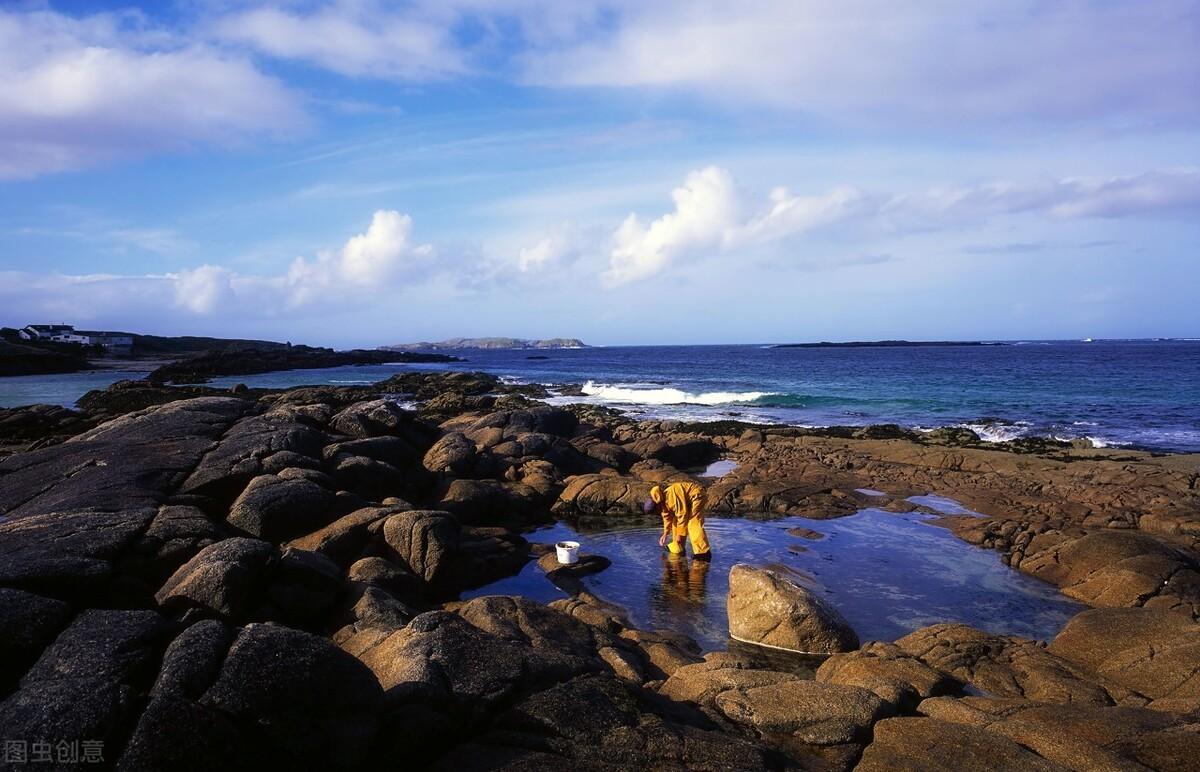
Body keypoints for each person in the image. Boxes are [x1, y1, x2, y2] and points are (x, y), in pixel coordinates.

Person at [644, 481, 711, 559]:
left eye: (655, 511)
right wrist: (665, 534)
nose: (657, 513)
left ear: (656, 505)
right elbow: (667, 518)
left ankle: (703, 553)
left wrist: (679, 537)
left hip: (697, 496)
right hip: (687, 502)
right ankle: (679, 548)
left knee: (692, 523)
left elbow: (682, 517)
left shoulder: (672, 497)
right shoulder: (662, 503)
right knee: (675, 522)